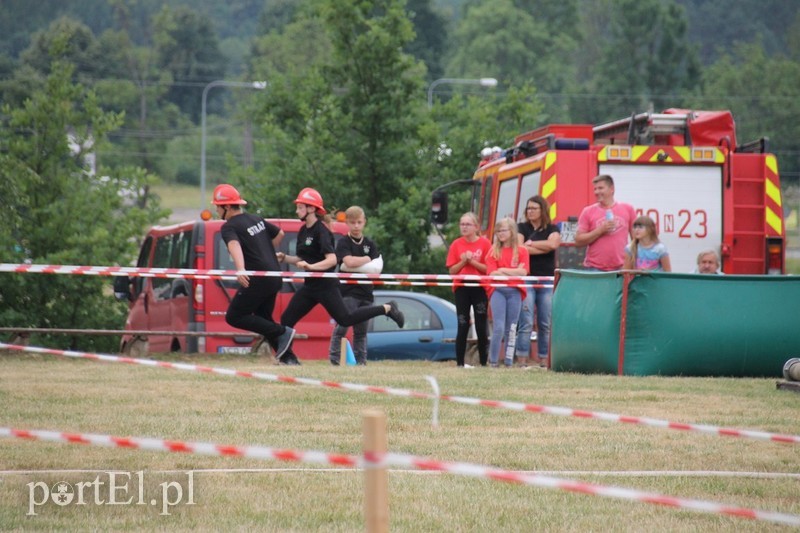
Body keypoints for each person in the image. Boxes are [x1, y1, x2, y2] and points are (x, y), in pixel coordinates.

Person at [277, 187, 404, 365]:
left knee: (345, 320)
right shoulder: (303, 231)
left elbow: (331, 260)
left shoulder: (322, 232)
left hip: (326, 286)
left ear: (311, 209)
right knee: (287, 319)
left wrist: (311, 266)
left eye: (300, 207)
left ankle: (387, 308)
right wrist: (285, 257)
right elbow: (301, 258)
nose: (296, 210)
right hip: (310, 286)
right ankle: (288, 358)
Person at [212, 184, 296, 362]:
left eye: (217, 207)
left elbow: (233, 245)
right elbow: (279, 233)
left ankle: (283, 332)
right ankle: (289, 359)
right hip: (274, 276)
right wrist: (264, 251)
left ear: (226, 207)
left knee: (234, 316)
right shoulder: (255, 218)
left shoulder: (229, 227)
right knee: (263, 319)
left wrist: (241, 268)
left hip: (258, 279)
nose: (217, 211)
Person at [328, 206, 384, 366]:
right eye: (353, 222)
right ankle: (335, 360)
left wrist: (357, 263)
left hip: (366, 293)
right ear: (347, 223)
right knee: (342, 327)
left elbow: (377, 268)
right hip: (348, 293)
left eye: (359, 222)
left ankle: (361, 363)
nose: (356, 226)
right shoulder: (343, 242)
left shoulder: (370, 244)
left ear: (364, 222)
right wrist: (366, 259)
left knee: (361, 331)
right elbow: (348, 262)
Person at [515, 196, 560, 368]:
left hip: (546, 280)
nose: (530, 211)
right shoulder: (521, 228)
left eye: (534, 208)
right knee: (526, 320)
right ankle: (522, 359)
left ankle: (544, 359)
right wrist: (543, 246)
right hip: (527, 278)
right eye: (528, 208)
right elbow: (520, 249)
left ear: (542, 210)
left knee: (545, 321)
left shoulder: (552, 228)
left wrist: (532, 244)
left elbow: (553, 244)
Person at [446, 212, 492, 367]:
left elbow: (488, 269)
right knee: (463, 324)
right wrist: (463, 261)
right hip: (462, 287)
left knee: (481, 325)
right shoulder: (456, 244)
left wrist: (472, 261)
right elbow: (452, 271)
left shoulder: (485, 244)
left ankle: (483, 362)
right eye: (462, 224)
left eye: (467, 224)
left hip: (479, 287)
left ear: (476, 227)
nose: (464, 227)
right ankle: (460, 362)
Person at [485, 217, 530, 368]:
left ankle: (509, 361)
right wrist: (512, 273)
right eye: (498, 231)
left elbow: (523, 272)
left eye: (503, 230)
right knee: (498, 327)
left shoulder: (522, 250)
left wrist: (503, 270)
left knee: (511, 328)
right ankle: (493, 361)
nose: (500, 234)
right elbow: (492, 274)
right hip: (498, 290)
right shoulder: (493, 251)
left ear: (512, 231)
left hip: (515, 291)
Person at [574, 174, 636, 271]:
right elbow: (578, 241)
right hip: (594, 268)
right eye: (595, 189)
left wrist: (633, 264)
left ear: (612, 189)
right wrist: (600, 230)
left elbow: (636, 239)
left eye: (600, 188)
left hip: (621, 268)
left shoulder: (628, 209)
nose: (597, 192)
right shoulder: (588, 211)